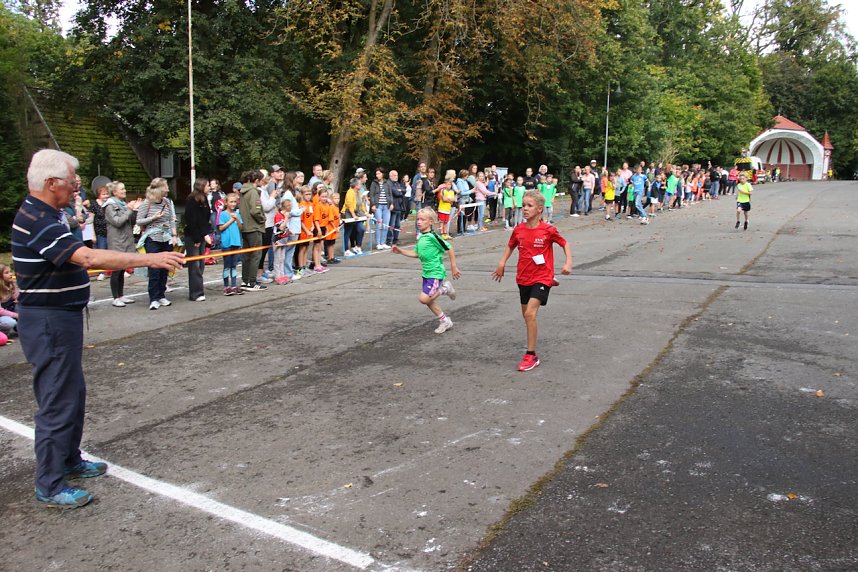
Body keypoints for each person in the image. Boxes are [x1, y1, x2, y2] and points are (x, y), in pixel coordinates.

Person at [13, 149, 183, 508]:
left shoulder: (50, 214)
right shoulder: (38, 218)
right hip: (48, 320)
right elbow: (88, 257)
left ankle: (69, 459)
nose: (76, 187)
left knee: (72, 393)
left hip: (61, 317)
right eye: (71, 181)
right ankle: (49, 483)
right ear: (51, 183)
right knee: (57, 399)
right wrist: (150, 258)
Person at [491, 190, 572, 372]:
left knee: (529, 314)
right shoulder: (519, 229)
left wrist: (568, 262)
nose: (525, 209)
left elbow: (565, 243)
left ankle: (531, 355)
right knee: (527, 316)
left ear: (540, 209)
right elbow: (510, 246)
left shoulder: (548, 230)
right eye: (523, 205)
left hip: (542, 276)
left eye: (529, 205)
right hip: (523, 277)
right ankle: (531, 350)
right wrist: (501, 263)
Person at [391, 208, 461, 334]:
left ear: (431, 222)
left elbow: (449, 247)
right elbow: (416, 253)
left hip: (435, 273)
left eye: (422, 219)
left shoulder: (433, 236)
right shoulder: (422, 237)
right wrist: (401, 251)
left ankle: (445, 288)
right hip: (427, 274)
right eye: (418, 219)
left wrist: (454, 267)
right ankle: (445, 321)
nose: (419, 222)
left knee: (424, 299)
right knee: (429, 300)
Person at [135, 177, 177, 310]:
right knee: (154, 269)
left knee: (165, 268)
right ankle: (153, 298)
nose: (168, 189)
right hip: (153, 239)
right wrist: (153, 218)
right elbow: (139, 221)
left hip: (166, 238)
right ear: (158, 189)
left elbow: (171, 219)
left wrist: (174, 235)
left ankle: (161, 295)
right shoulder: (147, 203)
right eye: (165, 187)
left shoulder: (167, 202)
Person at [103, 180, 142, 307]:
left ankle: (121, 295)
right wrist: (129, 209)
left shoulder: (123, 203)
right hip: (117, 241)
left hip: (126, 240)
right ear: (114, 192)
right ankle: (115, 297)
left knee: (122, 268)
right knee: (116, 270)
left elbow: (130, 220)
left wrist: (135, 210)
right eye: (122, 189)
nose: (125, 191)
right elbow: (118, 222)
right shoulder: (110, 206)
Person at [184, 178, 212, 301]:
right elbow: (191, 220)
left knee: (201, 264)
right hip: (193, 236)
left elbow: (204, 219)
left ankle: (199, 289)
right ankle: (196, 293)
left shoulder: (204, 199)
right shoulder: (192, 200)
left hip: (202, 235)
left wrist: (205, 233)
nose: (209, 187)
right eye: (207, 185)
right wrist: (196, 238)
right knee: (194, 265)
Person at [238, 170, 267, 291]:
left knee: (247, 256)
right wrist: (262, 219)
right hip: (254, 227)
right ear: (256, 180)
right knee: (256, 255)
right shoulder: (253, 192)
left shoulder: (243, 191)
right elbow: (255, 210)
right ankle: (252, 281)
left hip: (245, 227)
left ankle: (245, 280)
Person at [218, 192, 244, 295]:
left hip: (236, 242)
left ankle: (233, 285)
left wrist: (237, 219)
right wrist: (231, 220)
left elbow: (241, 227)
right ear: (226, 203)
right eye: (231, 202)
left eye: (234, 202)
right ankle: (226, 286)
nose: (233, 204)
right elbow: (221, 228)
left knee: (234, 265)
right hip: (227, 243)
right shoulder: (223, 214)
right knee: (227, 265)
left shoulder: (237, 214)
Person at [370, 167, 391, 250]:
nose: (377, 175)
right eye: (376, 174)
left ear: (382, 174)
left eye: (379, 173)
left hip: (386, 205)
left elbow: (390, 194)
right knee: (379, 224)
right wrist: (373, 204)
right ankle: (378, 243)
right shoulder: (374, 183)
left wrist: (391, 203)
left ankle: (383, 242)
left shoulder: (387, 182)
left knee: (386, 225)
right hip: (378, 205)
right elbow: (372, 194)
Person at [0, 263, 18, 338]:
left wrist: (14, 284)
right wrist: (16, 315)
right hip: (1, 314)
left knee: (22, 308)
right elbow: (0, 311)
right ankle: (2, 333)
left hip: (9, 309)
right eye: (7, 273)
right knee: (10, 322)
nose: (10, 274)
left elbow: (16, 298)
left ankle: (19, 327)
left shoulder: (10, 283)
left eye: (10, 271)